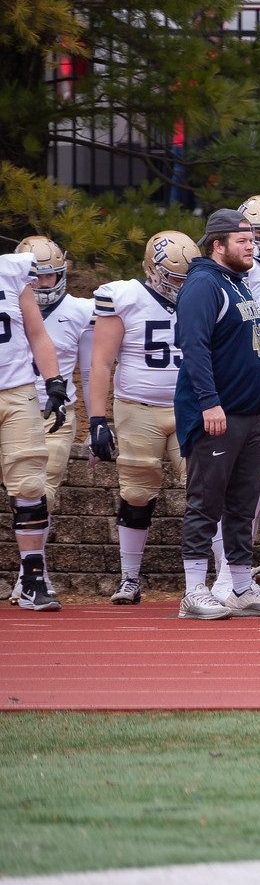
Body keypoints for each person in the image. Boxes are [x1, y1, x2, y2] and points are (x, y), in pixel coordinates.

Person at [172, 210, 260, 621]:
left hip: (247, 411)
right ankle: (194, 589)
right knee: (206, 501)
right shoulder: (204, 284)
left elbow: (253, 338)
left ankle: (241, 587)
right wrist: (209, 402)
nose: (252, 247)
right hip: (217, 412)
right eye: (243, 241)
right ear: (218, 244)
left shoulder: (236, 282)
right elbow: (194, 348)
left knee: (243, 505)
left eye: (252, 240)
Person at [91, 231, 202, 607]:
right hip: (137, 407)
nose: (182, 285)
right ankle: (129, 578)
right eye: (174, 276)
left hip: (190, 406)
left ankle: (210, 581)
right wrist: (96, 418)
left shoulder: (204, 293)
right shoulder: (124, 296)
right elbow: (101, 362)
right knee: (137, 493)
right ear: (153, 270)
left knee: (204, 490)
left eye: (188, 277)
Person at [10, 237, 91, 605]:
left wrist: (98, 420)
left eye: (50, 276)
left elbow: (91, 369)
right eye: (35, 277)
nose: (43, 284)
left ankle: (31, 574)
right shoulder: (8, 289)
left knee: (38, 491)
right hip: (16, 403)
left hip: (47, 410)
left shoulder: (79, 310)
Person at [0, 239, 72, 611]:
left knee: (29, 484)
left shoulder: (13, 273)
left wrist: (54, 381)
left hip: (15, 390)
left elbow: (36, 333)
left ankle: (32, 580)